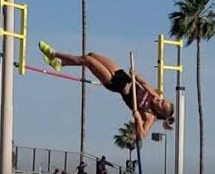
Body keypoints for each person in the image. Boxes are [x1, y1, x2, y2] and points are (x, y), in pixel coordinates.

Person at [38, 41, 175, 140]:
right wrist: (136, 76)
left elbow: (141, 136)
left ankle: (54, 54)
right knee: (92, 54)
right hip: (123, 76)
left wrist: (138, 118)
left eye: (162, 104)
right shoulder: (155, 96)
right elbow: (144, 84)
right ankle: (61, 64)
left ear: (159, 112)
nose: (160, 100)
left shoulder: (149, 116)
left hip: (115, 84)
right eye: (163, 101)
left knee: (87, 60)